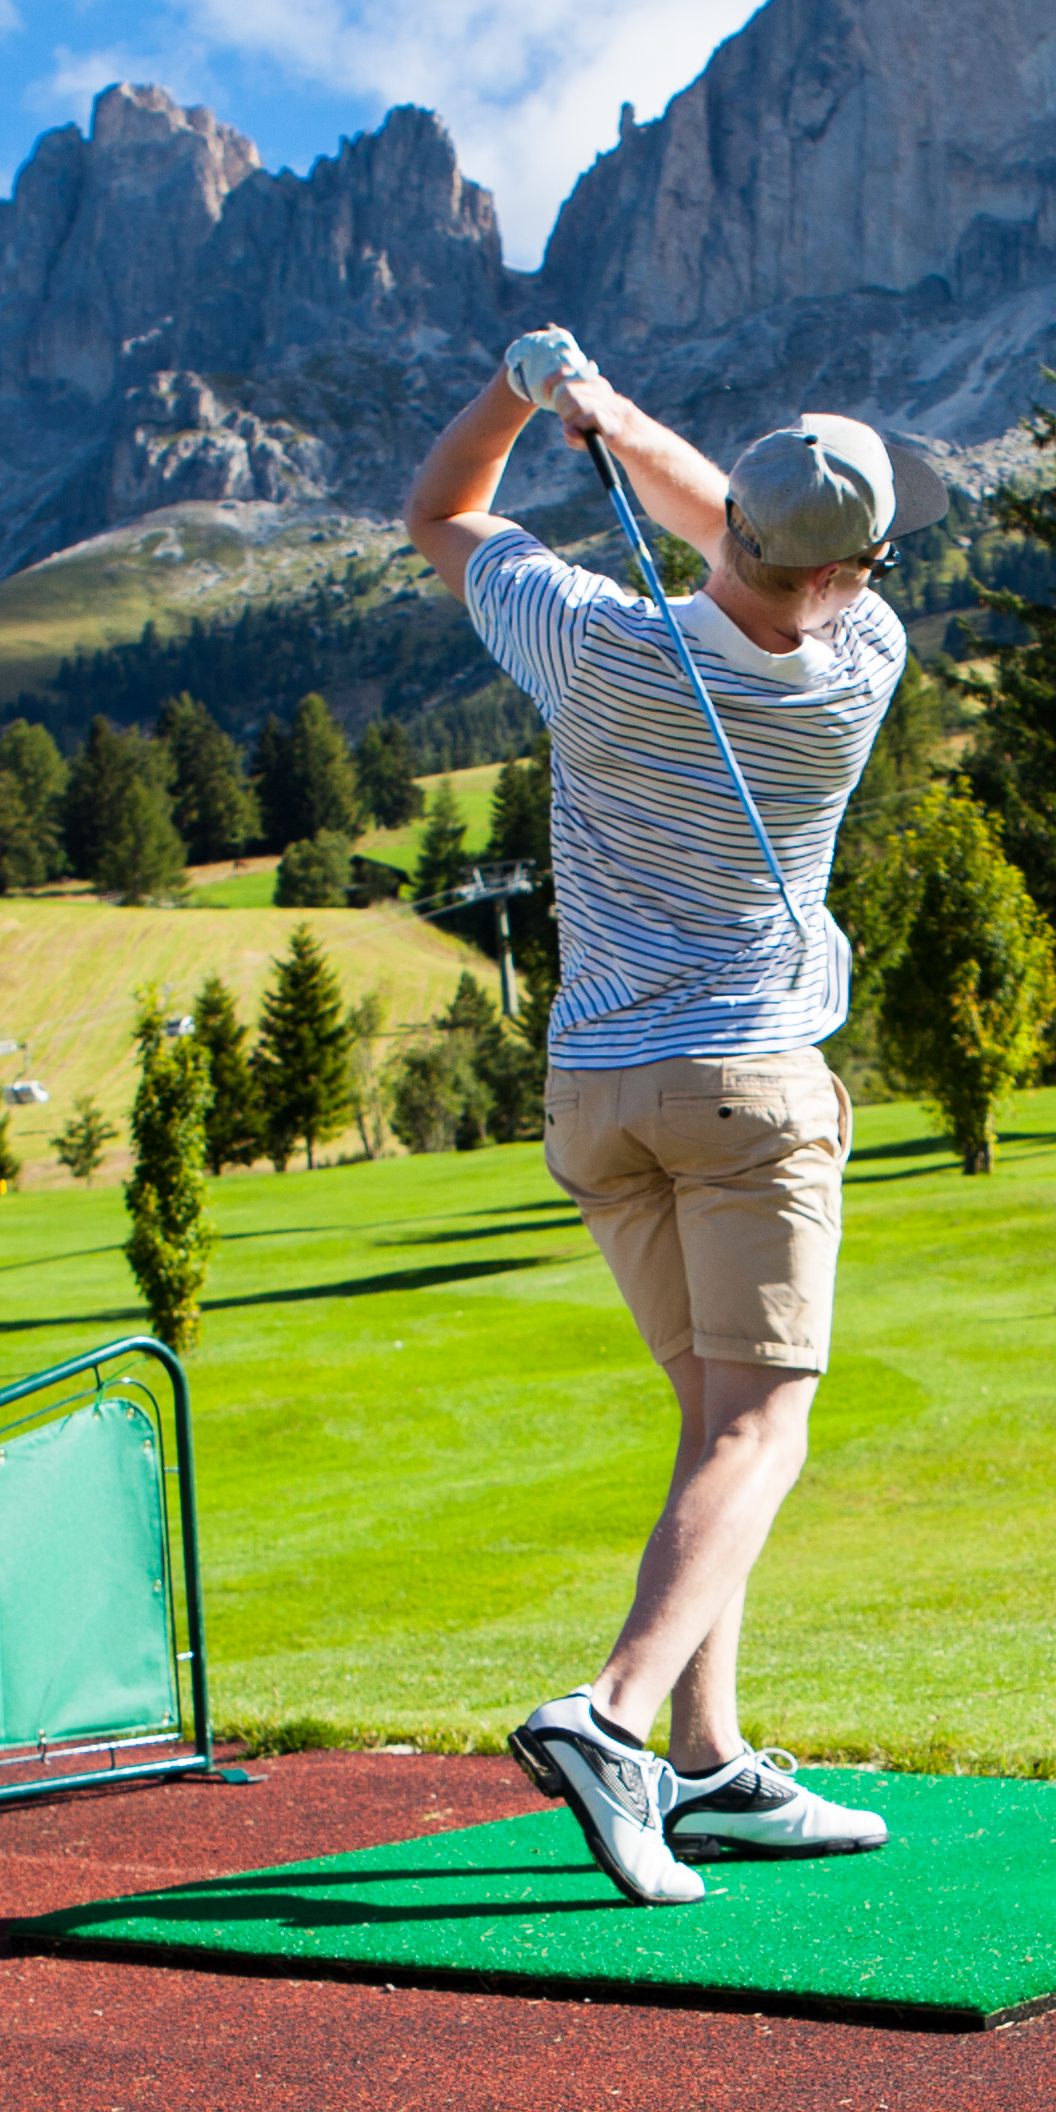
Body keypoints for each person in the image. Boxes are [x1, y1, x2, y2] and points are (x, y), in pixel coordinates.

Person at [399, 325, 946, 1904]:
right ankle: (613, 1716)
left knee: (715, 1429)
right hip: (748, 1092)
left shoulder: (589, 639)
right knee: (764, 1425)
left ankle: (709, 1769)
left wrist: (532, 399)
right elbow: (746, 535)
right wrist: (626, 424)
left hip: (597, 1102)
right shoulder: (864, 657)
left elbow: (440, 513)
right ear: (860, 563)